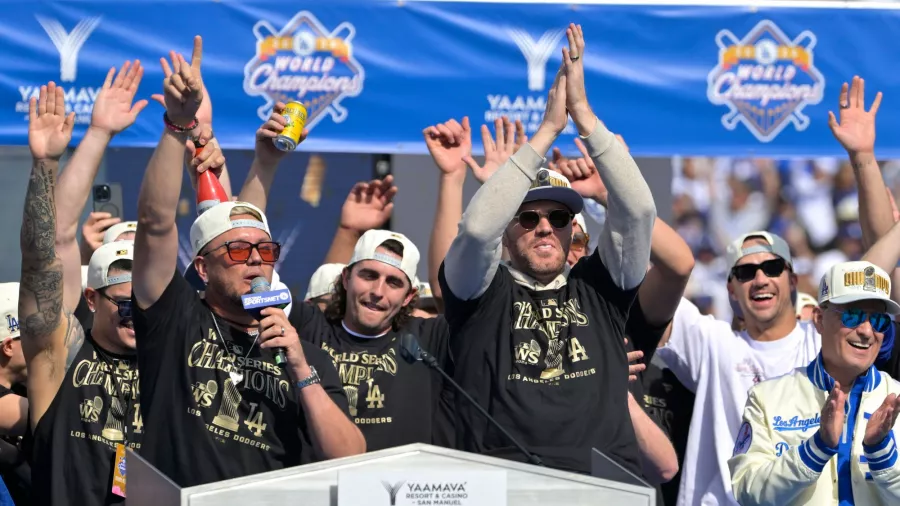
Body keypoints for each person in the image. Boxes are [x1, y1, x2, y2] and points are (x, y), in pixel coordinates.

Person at [132, 36, 363, 487]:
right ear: (202, 268)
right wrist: (178, 127)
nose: (255, 260)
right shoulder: (176, 320)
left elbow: (351, 457)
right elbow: (155, 221)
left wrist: (300, 369)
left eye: (266, 251)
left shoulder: (304, 353)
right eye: (238, 252)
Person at [439, 24, 657, 474]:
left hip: (602, 484)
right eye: (527, 216)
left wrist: (583, 116)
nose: (544, 228)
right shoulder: (480, 292)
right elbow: (478, 231)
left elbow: (638, 213)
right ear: (509, 227)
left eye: (558, 218)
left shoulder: (599, 289)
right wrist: (546, 132)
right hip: (502, 482)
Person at [18, 79, 147, 505]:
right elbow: (47, 252)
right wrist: (49, 163)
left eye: (146, 305)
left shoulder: (175, 357)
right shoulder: (63, 357)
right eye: (124, 305)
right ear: (93, 299)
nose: (137, 315)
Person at [657, 231, 821, 506]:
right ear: (731, 288)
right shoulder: (714, 342)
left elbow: (867, 278)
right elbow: (650, 279)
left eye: (772, 267)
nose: (760, 280)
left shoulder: (820, 340)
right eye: (745, 272)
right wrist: (610, 198)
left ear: (793, 281)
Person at [730, 257, 900, 505]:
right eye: (852, 316)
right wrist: (817, 448)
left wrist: (880, 451)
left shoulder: (895, 397)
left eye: (878, 321)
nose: (866, 331)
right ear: (819, 319)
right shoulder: (766, 397)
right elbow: (748, 493)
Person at [289, 230, 454, 451]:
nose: (378, 291)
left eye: (393, 282)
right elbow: (247, 286)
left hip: (398, 484)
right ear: (346, 278)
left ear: (407, 296)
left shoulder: (430, 339)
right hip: (317, 483)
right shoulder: (309, 325)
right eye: (369, 275)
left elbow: (456, 282)